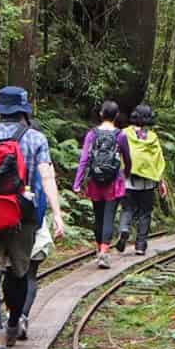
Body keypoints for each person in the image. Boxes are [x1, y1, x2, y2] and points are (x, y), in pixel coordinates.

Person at [0, 85, 66, 349]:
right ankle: (13, 325)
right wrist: (56, 213)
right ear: (24, 110)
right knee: (20, 272)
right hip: (23, 214)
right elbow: (47, 176)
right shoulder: (36, 138)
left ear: (0, 110)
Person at [74, 99, 131, 269]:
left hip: (95, 180)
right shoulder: (120, 135)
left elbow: (84, 159)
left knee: (97, 216)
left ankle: (99, 248)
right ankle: (104, 253)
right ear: (117, 116)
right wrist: (126, 174)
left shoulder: (92, 134)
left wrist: (78, 182)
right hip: (114, 181)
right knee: (108, 216)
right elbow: (127, 158)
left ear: (101, 114)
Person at [119, 104, 168, 256]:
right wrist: (161, 182)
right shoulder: (152, 137)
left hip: (128, 179)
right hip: (148, 182)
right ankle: (140, 245)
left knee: (127, 208)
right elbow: (158, 160)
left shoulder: (124, 133)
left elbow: (117, 154)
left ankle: (124, 229)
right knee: (145, 213)